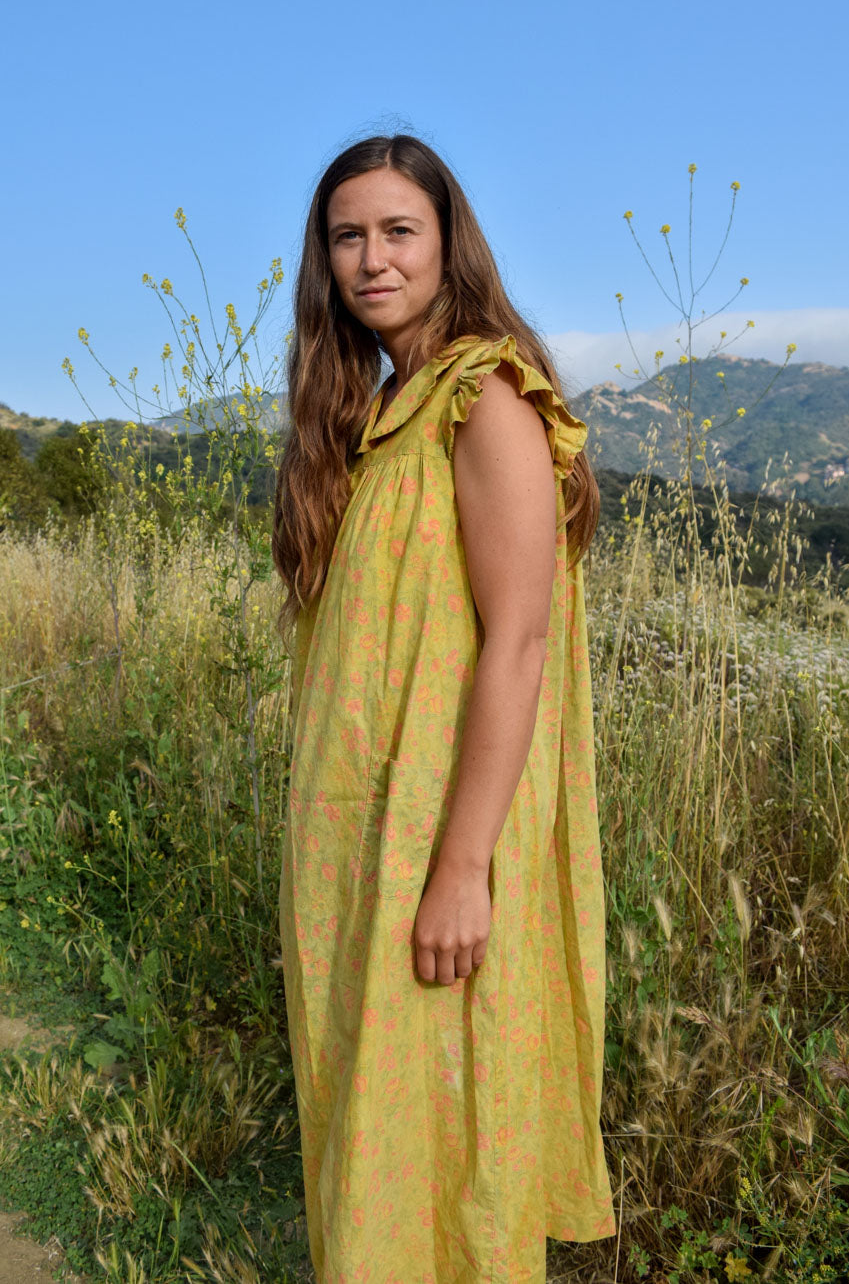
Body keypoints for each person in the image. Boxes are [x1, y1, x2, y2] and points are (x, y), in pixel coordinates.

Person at [271, 134, 615, 1284]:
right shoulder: (379, 413)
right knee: (377, 1112)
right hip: (359, 842)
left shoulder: (484, 400)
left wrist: (462, 869)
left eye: (397, 231)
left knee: (450, 1121)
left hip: (439, 840)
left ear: (446, 243)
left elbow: (517, 644)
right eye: (347, 236)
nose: (372, 259)